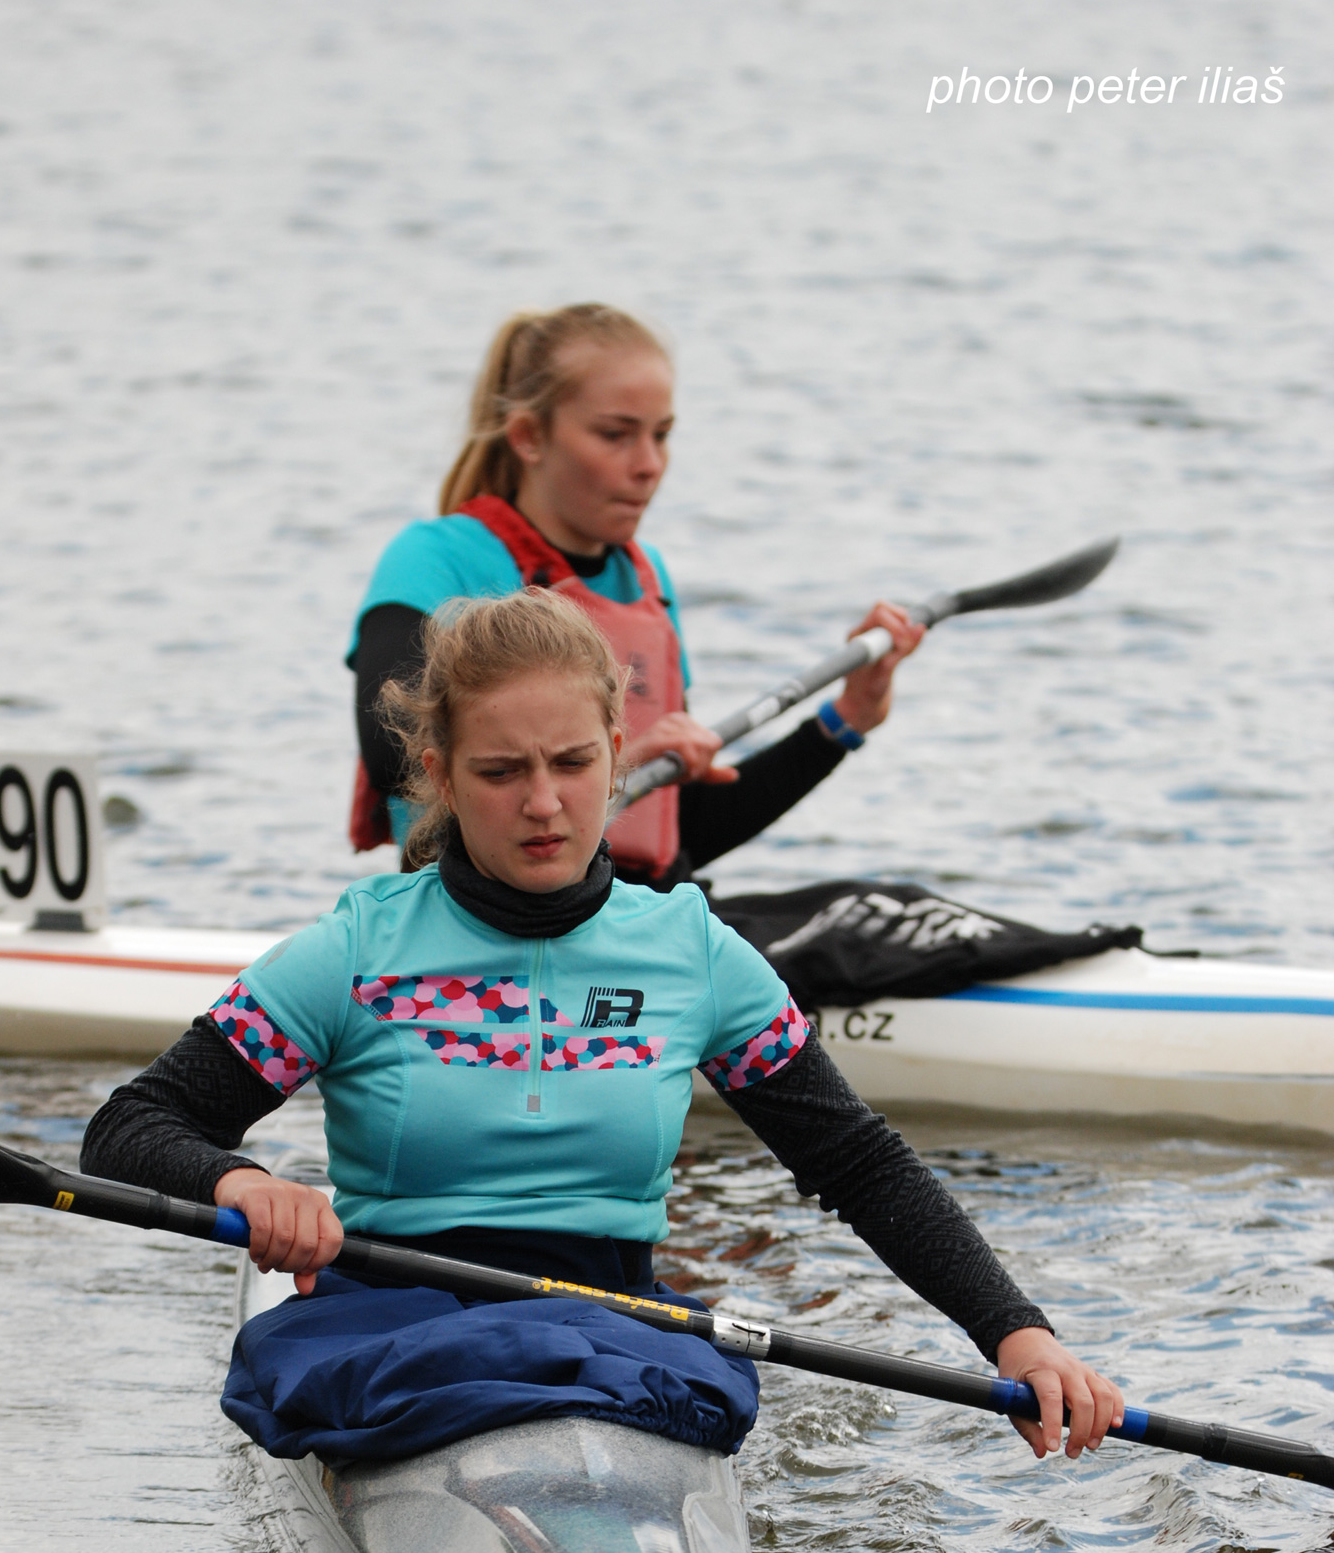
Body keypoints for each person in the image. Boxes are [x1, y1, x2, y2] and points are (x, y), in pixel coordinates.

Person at [86, 589, 1120, 1464]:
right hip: (392, 1320)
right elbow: (134, 1126)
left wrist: (1017, 1333)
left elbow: (859, 1164)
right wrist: (242, 1182)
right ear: (440, 776)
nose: (544, 803)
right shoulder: (357, 951)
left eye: (573, 764)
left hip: (613, 1324)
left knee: (628, 1364)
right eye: (500, 773)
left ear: (617, 754)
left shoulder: (693, 954)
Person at [347, 303, 926, 889]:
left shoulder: (648, 583)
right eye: (615, 434)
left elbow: (685, 831)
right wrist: (611, 766)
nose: (650, 466)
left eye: (662, 435)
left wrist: (843, 721)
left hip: (636, 919)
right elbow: (391, 754)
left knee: (893, 906)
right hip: (486, 923)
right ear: (528, 436)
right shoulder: (436, 558)